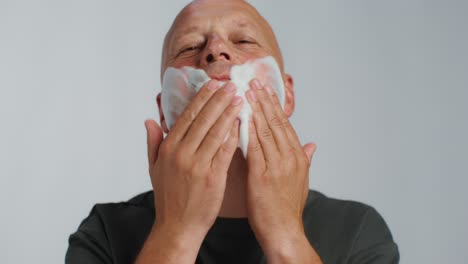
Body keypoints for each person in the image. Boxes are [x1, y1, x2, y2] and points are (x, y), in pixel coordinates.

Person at [66, 1, 399, 263]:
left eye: (243, 40)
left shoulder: (356, 231)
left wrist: (286, 236)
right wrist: (176, 232)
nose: (215, 49)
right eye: (188, 48)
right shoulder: (105, 233)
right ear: (163, 111)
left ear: (288, 96)